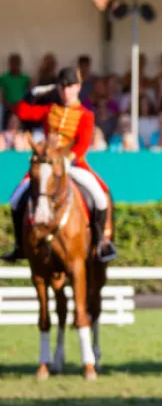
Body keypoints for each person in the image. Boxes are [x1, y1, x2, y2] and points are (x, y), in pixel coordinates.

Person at [5, 67, 116, 262]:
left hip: (73, 164)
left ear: (78, 87)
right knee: (15, 199)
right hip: (48, 165)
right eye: (62, 87)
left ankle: (100, 243)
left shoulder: (86, 115)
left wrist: (66, 160)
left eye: (70, 87)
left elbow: (82, 146)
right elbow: (21, 112)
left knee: (99, 196)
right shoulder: (50, 110)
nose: (66, 92)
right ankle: (19, 245)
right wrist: (32, 93)